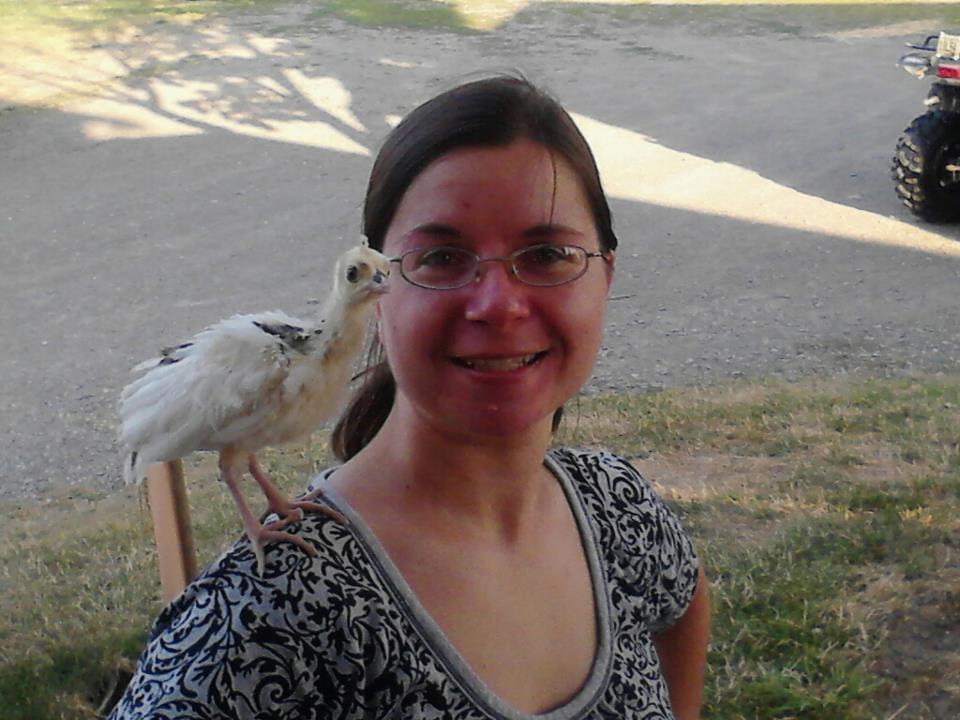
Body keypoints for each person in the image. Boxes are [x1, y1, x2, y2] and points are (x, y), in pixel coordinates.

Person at [109, 74, 710, 720]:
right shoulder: (262, 623)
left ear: (606, 274)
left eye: (547, 253)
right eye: (442, 258)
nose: (498, 305)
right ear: (378, 293)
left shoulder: (615, 507)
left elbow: (685, 608)